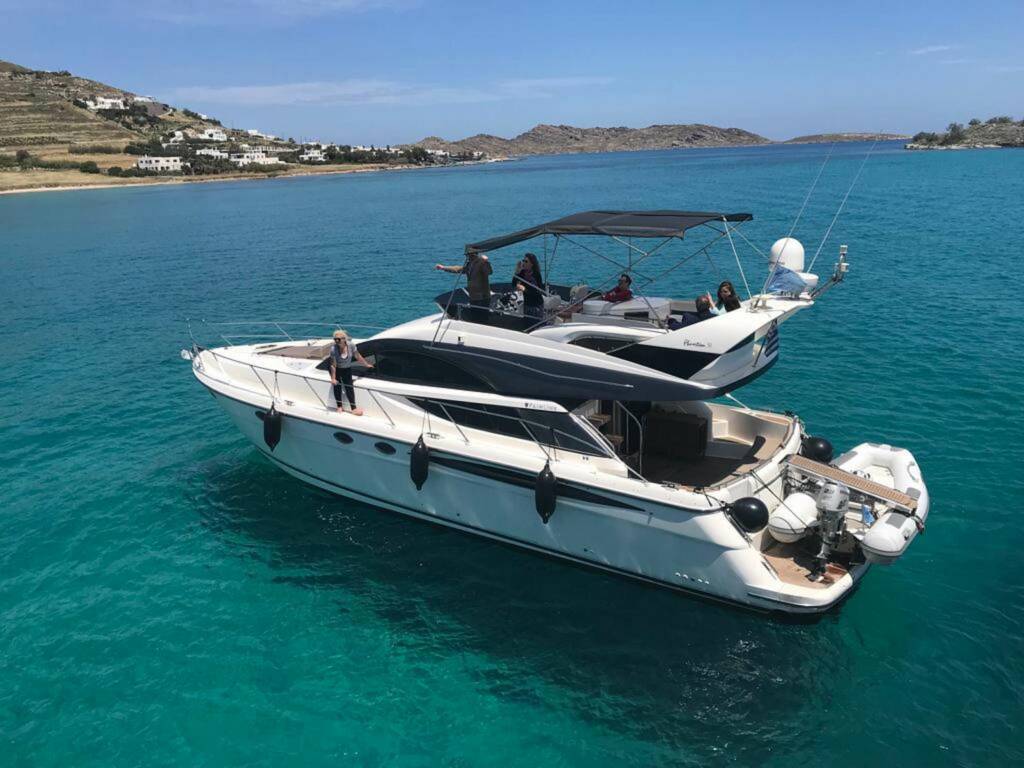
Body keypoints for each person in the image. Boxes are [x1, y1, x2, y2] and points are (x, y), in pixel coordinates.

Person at [436, 252, 493, 322]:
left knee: (483, 317)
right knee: (475, 317)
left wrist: (486, 262)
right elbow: (458, 269)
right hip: (473, 296)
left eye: (468, 255)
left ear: (473, 255)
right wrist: (443, 267)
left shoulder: (481, 263)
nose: (467, 257)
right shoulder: (470, 264)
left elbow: (489, 272)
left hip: (483, 296)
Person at [329, 329, 372, 416]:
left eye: (338, 339)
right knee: (337, 385)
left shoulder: (351, 345)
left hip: (347, 368)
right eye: (335, 339)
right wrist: (333, 378)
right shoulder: (333, 349)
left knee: (349, 386)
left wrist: (366, 364)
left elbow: (358, 356)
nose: (336, 341)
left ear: (344, 339)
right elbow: (333, 365)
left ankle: (353, 408)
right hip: (336, 368)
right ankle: (339, 406)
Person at [513, 252, 545, 317]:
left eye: (526, 261)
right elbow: (513, 284)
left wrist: (524, 289)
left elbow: (538, 291)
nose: (523, 263)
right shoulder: (522, 273)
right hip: (527, 304)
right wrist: (517, 271)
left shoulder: (536, 274)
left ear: (531, 264)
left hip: (536, 304)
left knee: (536, 322)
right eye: (523, 260)